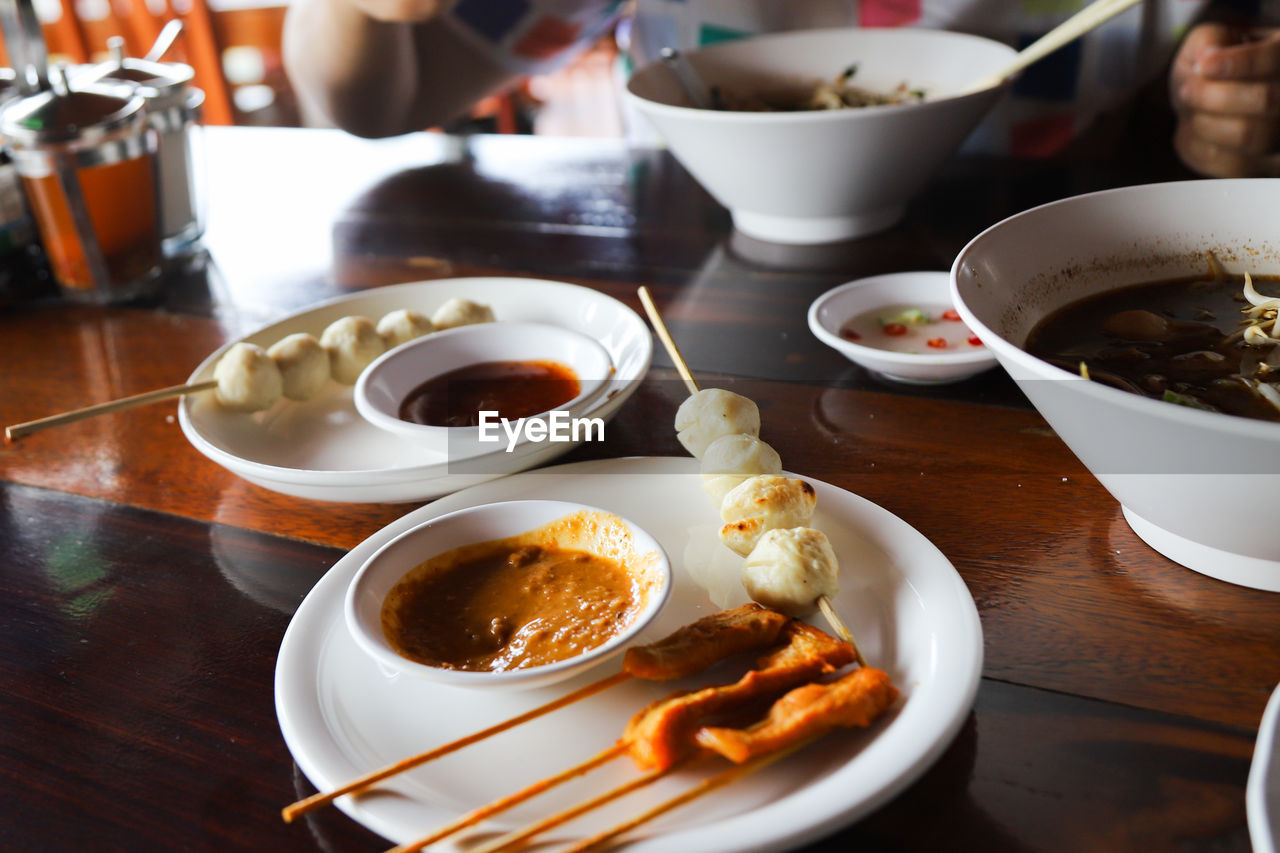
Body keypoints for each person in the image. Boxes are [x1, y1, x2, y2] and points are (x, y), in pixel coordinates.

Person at [282, 0, 1280, 177]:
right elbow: (375, 107)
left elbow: (1233, 82)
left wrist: (1234, 119)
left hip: (1022, 314)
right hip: (692, 293)